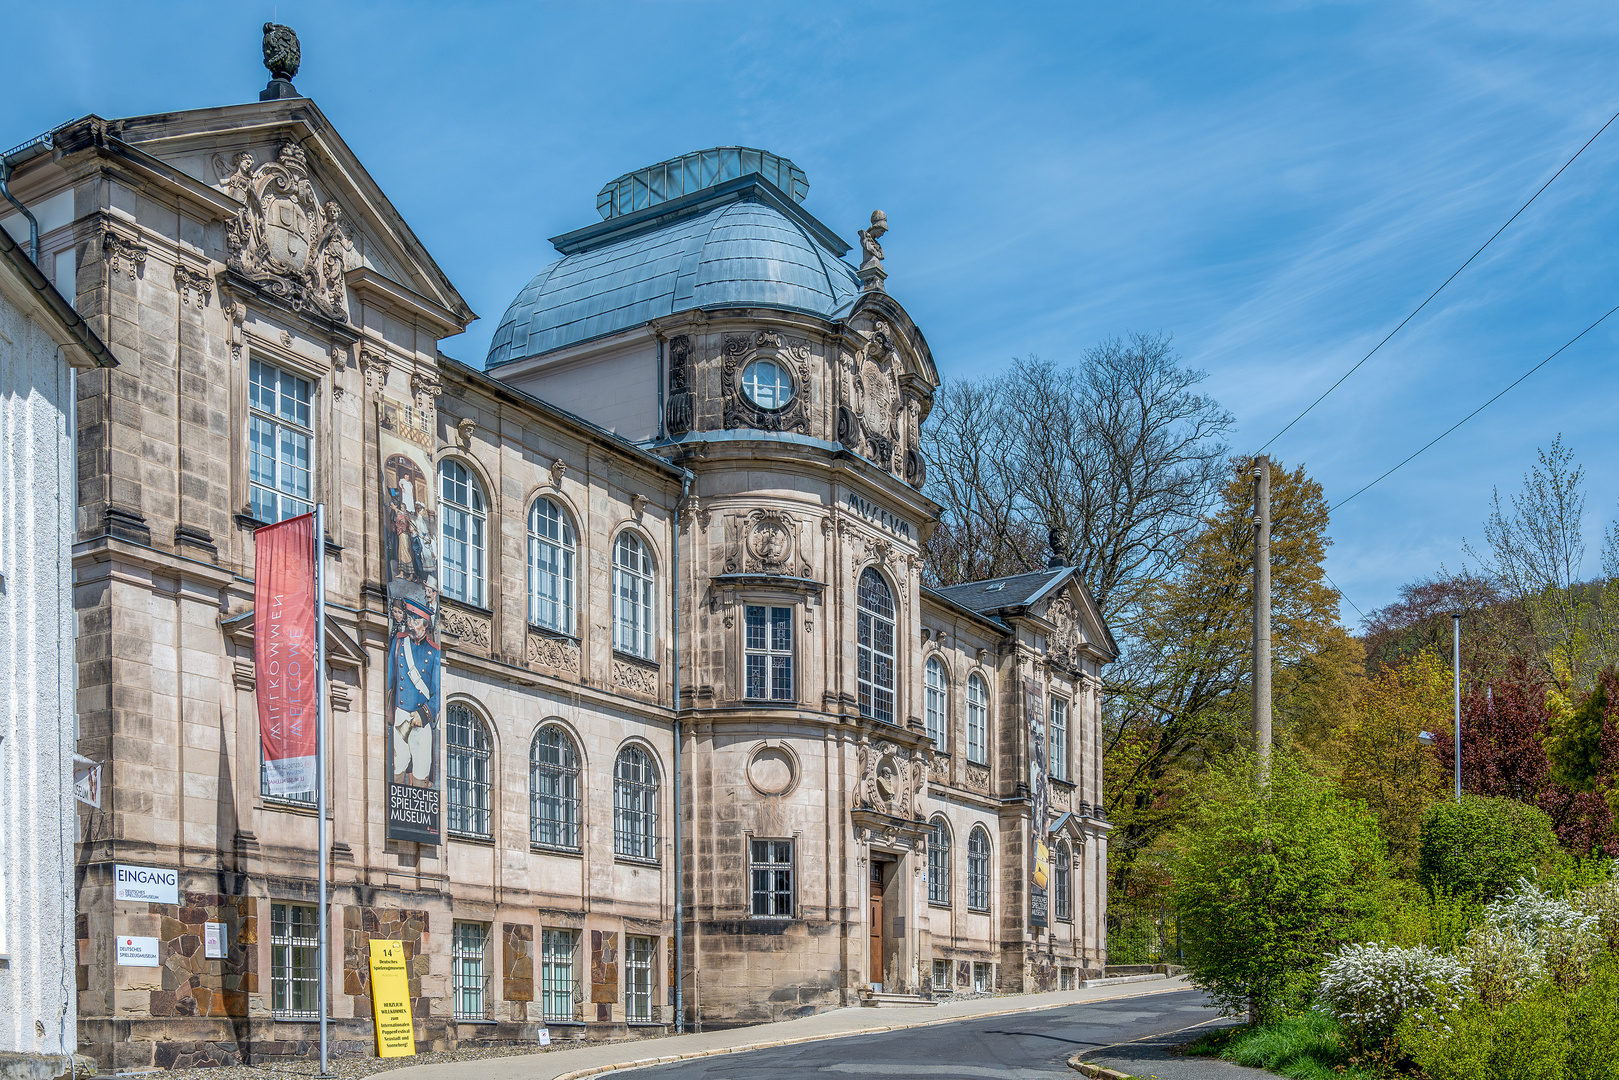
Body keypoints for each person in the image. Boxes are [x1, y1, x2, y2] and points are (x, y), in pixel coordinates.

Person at [390, 595, 440, 788]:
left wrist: (425, 714)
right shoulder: (400, 643)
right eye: (409, 619)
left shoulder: (434, 652)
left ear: (425, 625)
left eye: (415, 621)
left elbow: (436, 693)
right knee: (398, 764)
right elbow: (391, 679)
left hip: (421, 718)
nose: (411, 624)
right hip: (401, 713)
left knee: (421, 766)